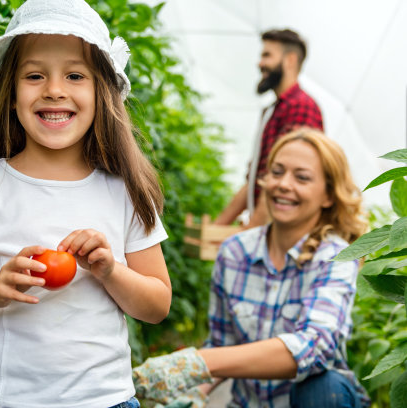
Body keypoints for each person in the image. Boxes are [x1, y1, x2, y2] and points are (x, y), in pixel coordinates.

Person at [0, 1, 172, 407]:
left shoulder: (124, 191)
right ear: (11, 93)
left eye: (75, 75)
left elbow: (157, 305)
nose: (54, 89)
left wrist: (111, 270)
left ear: (100, 92)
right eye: (35, 75)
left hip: (106, 400)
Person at [133, 128, 370, 408]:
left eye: (301, 177)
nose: (283, 184)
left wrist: (196, 362)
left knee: (323, 387)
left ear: (329, 195)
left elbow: (315, 345)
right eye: (277, 172)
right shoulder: (235, 253)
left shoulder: (336, 256)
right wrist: (192, 391)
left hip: (312, 402)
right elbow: (223, 345)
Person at [215, 29, 324, 228]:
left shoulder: (301, 106)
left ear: (290, 60)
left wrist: (253, 234)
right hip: (268, 228)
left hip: (282, 231)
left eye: (267, 55)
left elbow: (285, 179)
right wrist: (218, 228)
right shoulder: (274, 110)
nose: (260, 63)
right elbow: (257, 179)